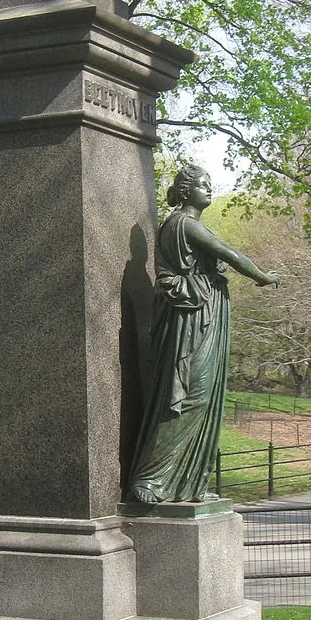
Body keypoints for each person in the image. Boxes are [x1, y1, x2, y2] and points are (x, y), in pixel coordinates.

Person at [125, 164, 278, 505]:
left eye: (210, 185)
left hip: (202, 315)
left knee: (203, 399)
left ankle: (186, 482)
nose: (210, 190)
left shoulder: (182, 225)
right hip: (193, 322)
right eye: (203, 185)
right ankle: (151, 479)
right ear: (184, 191)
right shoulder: (184, 224)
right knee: (190, 397)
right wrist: (263, 277)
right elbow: (231, 254)